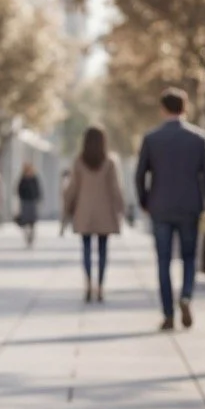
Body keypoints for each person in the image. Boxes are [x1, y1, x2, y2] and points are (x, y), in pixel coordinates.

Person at [135, 87, 205, 330]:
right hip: (190, 206)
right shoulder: (198, 138)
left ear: (163, 109)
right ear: (185, 108)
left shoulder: (151, 138)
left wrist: (144, 201)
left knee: (163, 261)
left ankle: (168, 314)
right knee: (189, 257)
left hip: (160, 206)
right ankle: (186, 296)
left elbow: (140, 175)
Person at [64, 125, 125, 303]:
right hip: (105, 212)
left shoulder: (78, 161)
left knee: (86, 249)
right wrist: (121, 208)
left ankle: (88, 283)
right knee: (103, 250)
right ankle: (100, 286)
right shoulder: (109, 162)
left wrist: (67, 207)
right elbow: (115, 188)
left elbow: (72, 188)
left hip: (84, 212)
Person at [16, 163, 42, 246]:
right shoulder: (22, 179)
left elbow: (38, 190)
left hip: (33, 202)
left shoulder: (34, 179)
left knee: (32, 221)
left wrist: (38, 198)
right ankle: (27, 236)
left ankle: (31, 236)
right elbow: (18, 190)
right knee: (25, 221)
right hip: (25, 202)